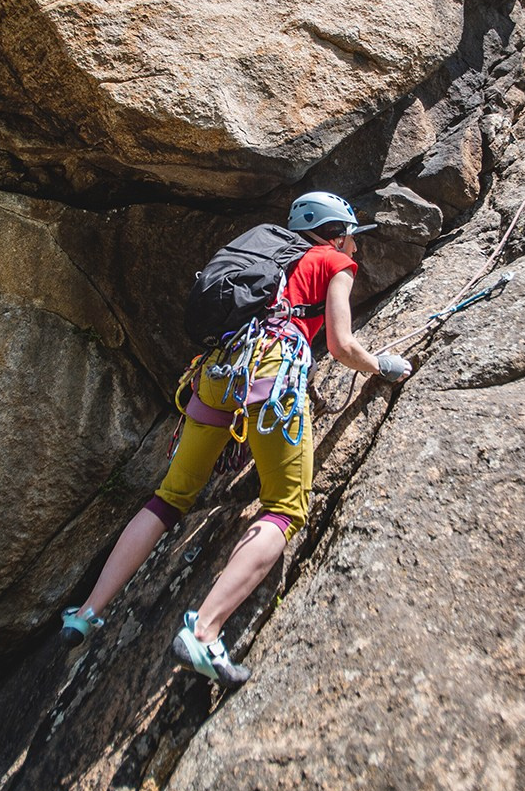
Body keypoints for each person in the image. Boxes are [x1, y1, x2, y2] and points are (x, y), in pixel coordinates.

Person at [61, 191, 412, 686]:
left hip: (218, 371)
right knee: (287, 508)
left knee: (170, 496)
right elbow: (340, 344)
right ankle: (204, 633)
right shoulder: (332, 261)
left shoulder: (270, 253)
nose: (356, 248)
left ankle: (87, 613)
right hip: (270, 371)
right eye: (352, 236)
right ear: (338, 232)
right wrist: (382, 366)